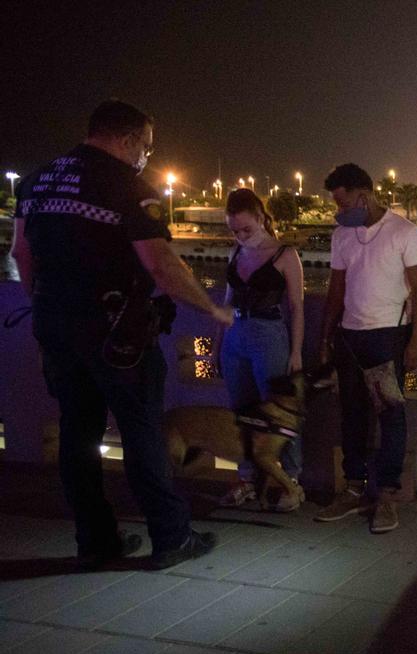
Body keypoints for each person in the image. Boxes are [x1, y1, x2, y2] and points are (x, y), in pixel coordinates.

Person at [9, 100, 231, 569]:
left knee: (77, 433)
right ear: (127, 139)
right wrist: (211, 307)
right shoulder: (126, 187)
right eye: (146, 147)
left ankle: (96, 540)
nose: (146, 156)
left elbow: (21, 254)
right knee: (142, 430)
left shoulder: (38, 180)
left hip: (56, 329)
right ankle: (171, 538)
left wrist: (48, 307)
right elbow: (161, 263)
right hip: (117, 334)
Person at [315, 163, 417, 534]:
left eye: (341, 201)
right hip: (350, 337)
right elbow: (336, 289)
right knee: (352, 414)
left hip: (387, 338)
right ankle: (353, 488)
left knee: (390, 416)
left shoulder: (404, 232)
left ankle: (386, 496)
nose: (338, 209)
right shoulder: (342, 236)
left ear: (363, 196)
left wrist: (415, 341)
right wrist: (325, 336)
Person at [213, 188, 305, 511]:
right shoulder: (235, 253)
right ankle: (248, 478)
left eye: (246, 230)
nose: (240, 236)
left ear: (262, 219)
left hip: (269, 333)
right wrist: (219, 343)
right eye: (234, 231)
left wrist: (296, 352)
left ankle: (290, 480)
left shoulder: (284, 255)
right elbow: (226, 302)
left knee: (279, 412)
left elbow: (296, 306)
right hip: (236, 333)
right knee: (242, 413)